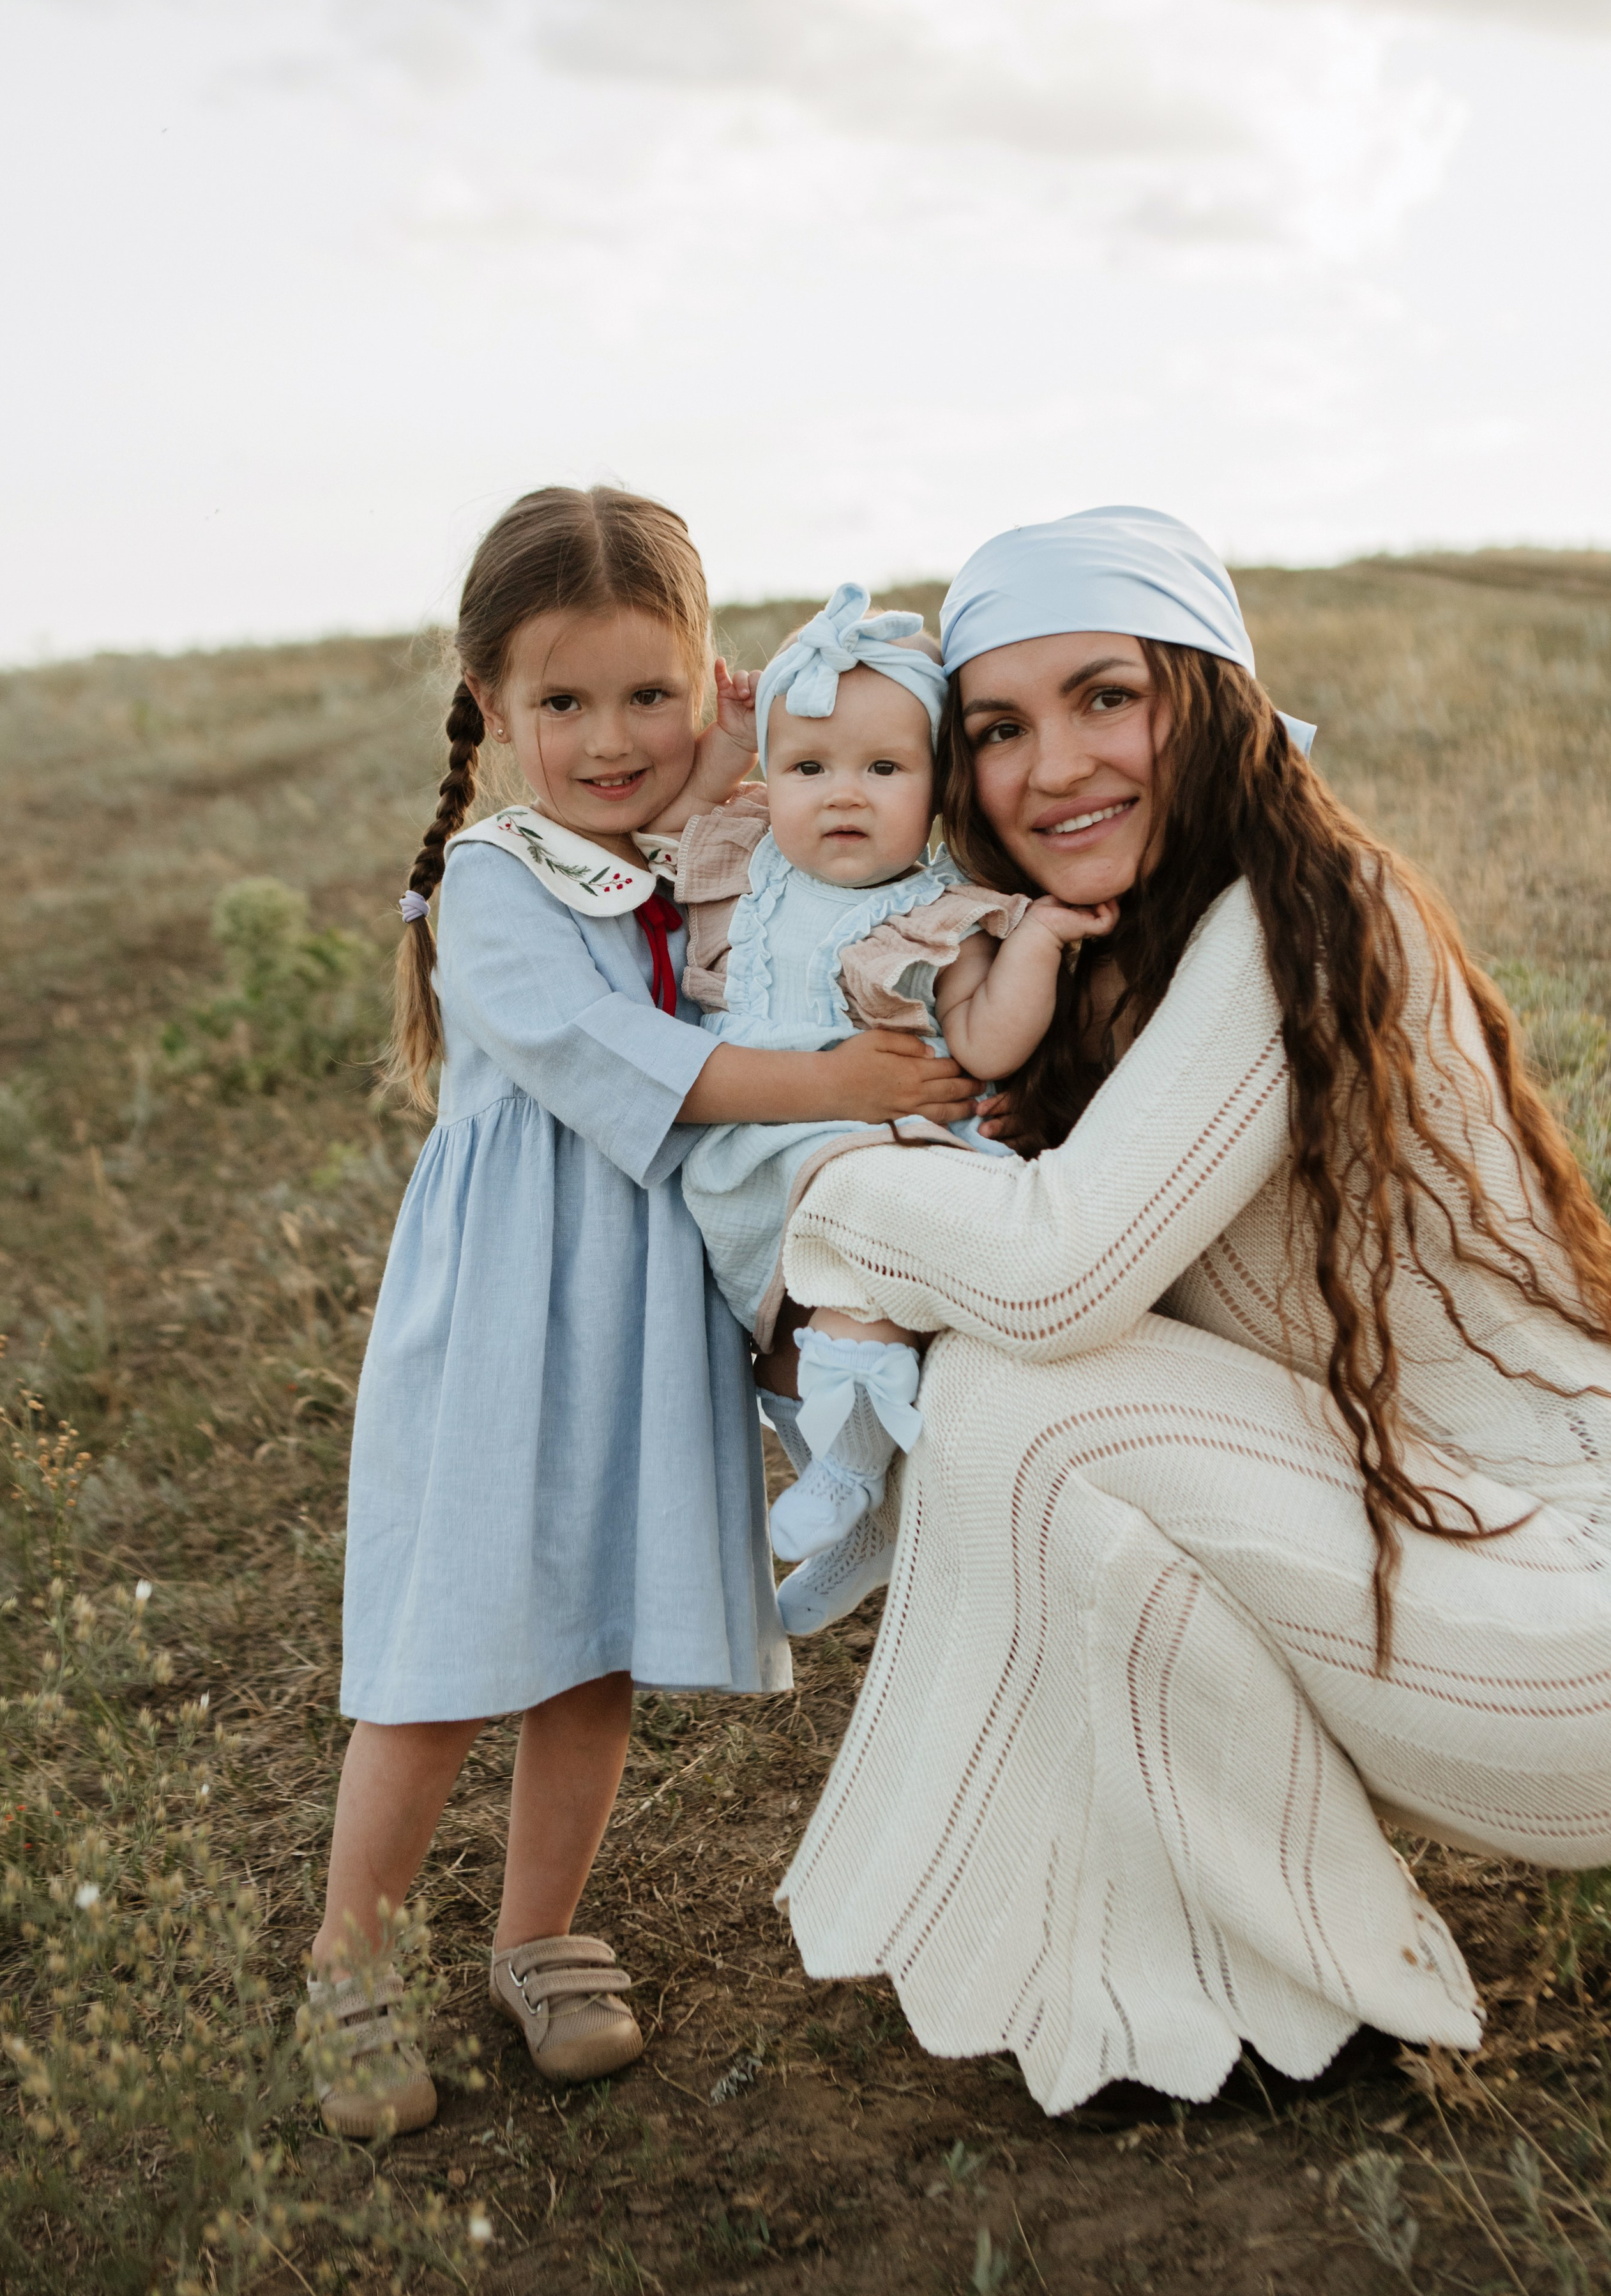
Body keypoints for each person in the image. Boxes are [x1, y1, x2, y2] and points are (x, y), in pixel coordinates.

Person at [775, 504, 1611, 2113]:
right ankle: (1277, 1988)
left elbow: (1053, 1268)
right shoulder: (1112, 961)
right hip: (1493, 1587)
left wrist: (814, 1199)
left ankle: (1261, 1982)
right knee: (1029, 1406)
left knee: (1036, 1395)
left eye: (1108, 697)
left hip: (1575, 1637)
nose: (1054, 767)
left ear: (1210, 698)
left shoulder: (1294, 917)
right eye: (1000, 729)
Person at [305, 485, 978, 2139]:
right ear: (491, 709)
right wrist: (832, 1076)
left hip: (642, 1308)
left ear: (708, 679)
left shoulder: (703, 842)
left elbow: (846, 823)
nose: (611, 739)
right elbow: (632, 1069)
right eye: (562, 702)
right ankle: (348, 1958)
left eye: (651, 693)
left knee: (594, 1635)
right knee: (448, 1647)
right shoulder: (495, 879)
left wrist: (758, 744)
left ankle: (538, 1933)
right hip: (506, 1316)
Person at [657, 582, 1111, 1637]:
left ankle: (857, 1483)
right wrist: (729, 740)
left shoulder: (940, 908)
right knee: (780, 1348)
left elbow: (989, 1039)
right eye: (810, 769)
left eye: (883, 769)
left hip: (877, 1157)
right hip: (753, 1153)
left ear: (938, 788)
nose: (844, 795)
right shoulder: (750, 860)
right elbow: (667, 816)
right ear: (773, 781)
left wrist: (1034, 944)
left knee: (854, 1285)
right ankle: (865, 1511)